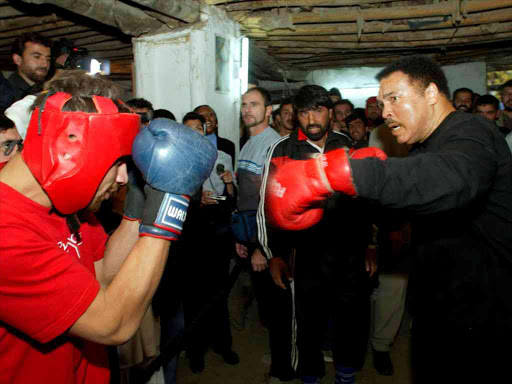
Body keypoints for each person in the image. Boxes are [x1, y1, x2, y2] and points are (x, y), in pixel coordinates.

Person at [264, 55, 512, 383]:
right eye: (381, 103)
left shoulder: (471, 131)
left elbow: (457, 178)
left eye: (394, 98)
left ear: (432, 94)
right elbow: (407, 212)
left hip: (484, 311)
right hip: (442, 302)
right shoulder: (424, 148)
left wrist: (332, 173)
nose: (385, 112)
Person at [0, 71, 217, 384]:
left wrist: (135, 215)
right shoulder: (6, 231)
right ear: (68, 151)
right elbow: (111, 323)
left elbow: (100, 273)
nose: (122, 179)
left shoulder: (63, 201)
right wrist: (166, 212)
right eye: (115, 162)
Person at [259, 85, 373, 384]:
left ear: (330, 112)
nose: (311, 118)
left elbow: (364, 200)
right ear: (296, 116)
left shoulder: (346, 145)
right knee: (308, 325)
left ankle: (346, 377)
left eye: (317, 110)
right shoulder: (282, 150)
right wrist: (275, 255)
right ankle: (311, 378)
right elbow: (267, 207)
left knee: (350, 321)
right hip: (305, 255)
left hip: (348, 253)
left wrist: (370, 245)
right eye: (303, 112)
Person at [235, 87, 289, 383]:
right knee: (268, 307)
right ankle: (280, 355)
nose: (247, 109)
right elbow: (246, 198)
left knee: (279, 309)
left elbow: (273, 203)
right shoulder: (249, 142)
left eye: (254, 104)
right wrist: (241, 237)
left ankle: (283, 369)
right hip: (250, 236)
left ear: (269, 110)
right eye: (244, 104)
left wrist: (261, 248)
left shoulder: (273, 145)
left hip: (267, 242)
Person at [180, 111, 239, 372]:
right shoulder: (177, 161)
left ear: (206, 130)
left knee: (218, 293)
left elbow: (231, 200)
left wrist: (228, 186)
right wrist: (195, 200)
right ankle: (195, 351)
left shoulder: (222, 157)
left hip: (217, 233)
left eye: (199, 128)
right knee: (193, 296)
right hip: (191, 235)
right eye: (189, 129)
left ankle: (223, 344)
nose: (195, 133)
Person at [8, 32, 52, 102]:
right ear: (18, 59)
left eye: (48, 59)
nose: (45, 64)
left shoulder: (47, 88)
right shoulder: (8, 95)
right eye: (37, 57)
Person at [194, 105, 236, 169]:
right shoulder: (190, 145)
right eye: (202, 116)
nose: (207, 118)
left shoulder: (228, 145)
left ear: (216, 122)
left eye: (211, 115)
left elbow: (230, 172)